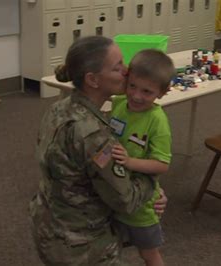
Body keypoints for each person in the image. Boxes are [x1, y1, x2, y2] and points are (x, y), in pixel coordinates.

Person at [29, 35, 167, 265]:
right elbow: (127, 200)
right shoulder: (92, 135)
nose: (127, 71)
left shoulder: (58, 108)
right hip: (80, 244)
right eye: (117, 67)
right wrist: (152, 185)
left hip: (47, 224)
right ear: (93, 80)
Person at [110, 49, 175, 266]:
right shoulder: (119, 103)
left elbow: (162, 164)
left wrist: (129, 162)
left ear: (163, 92)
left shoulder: (157, 121)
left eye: (147, 91)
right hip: (116, 194)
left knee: (149, 254)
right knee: (110, 249)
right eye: (132, 86)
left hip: (142, 207)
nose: (137, 96)